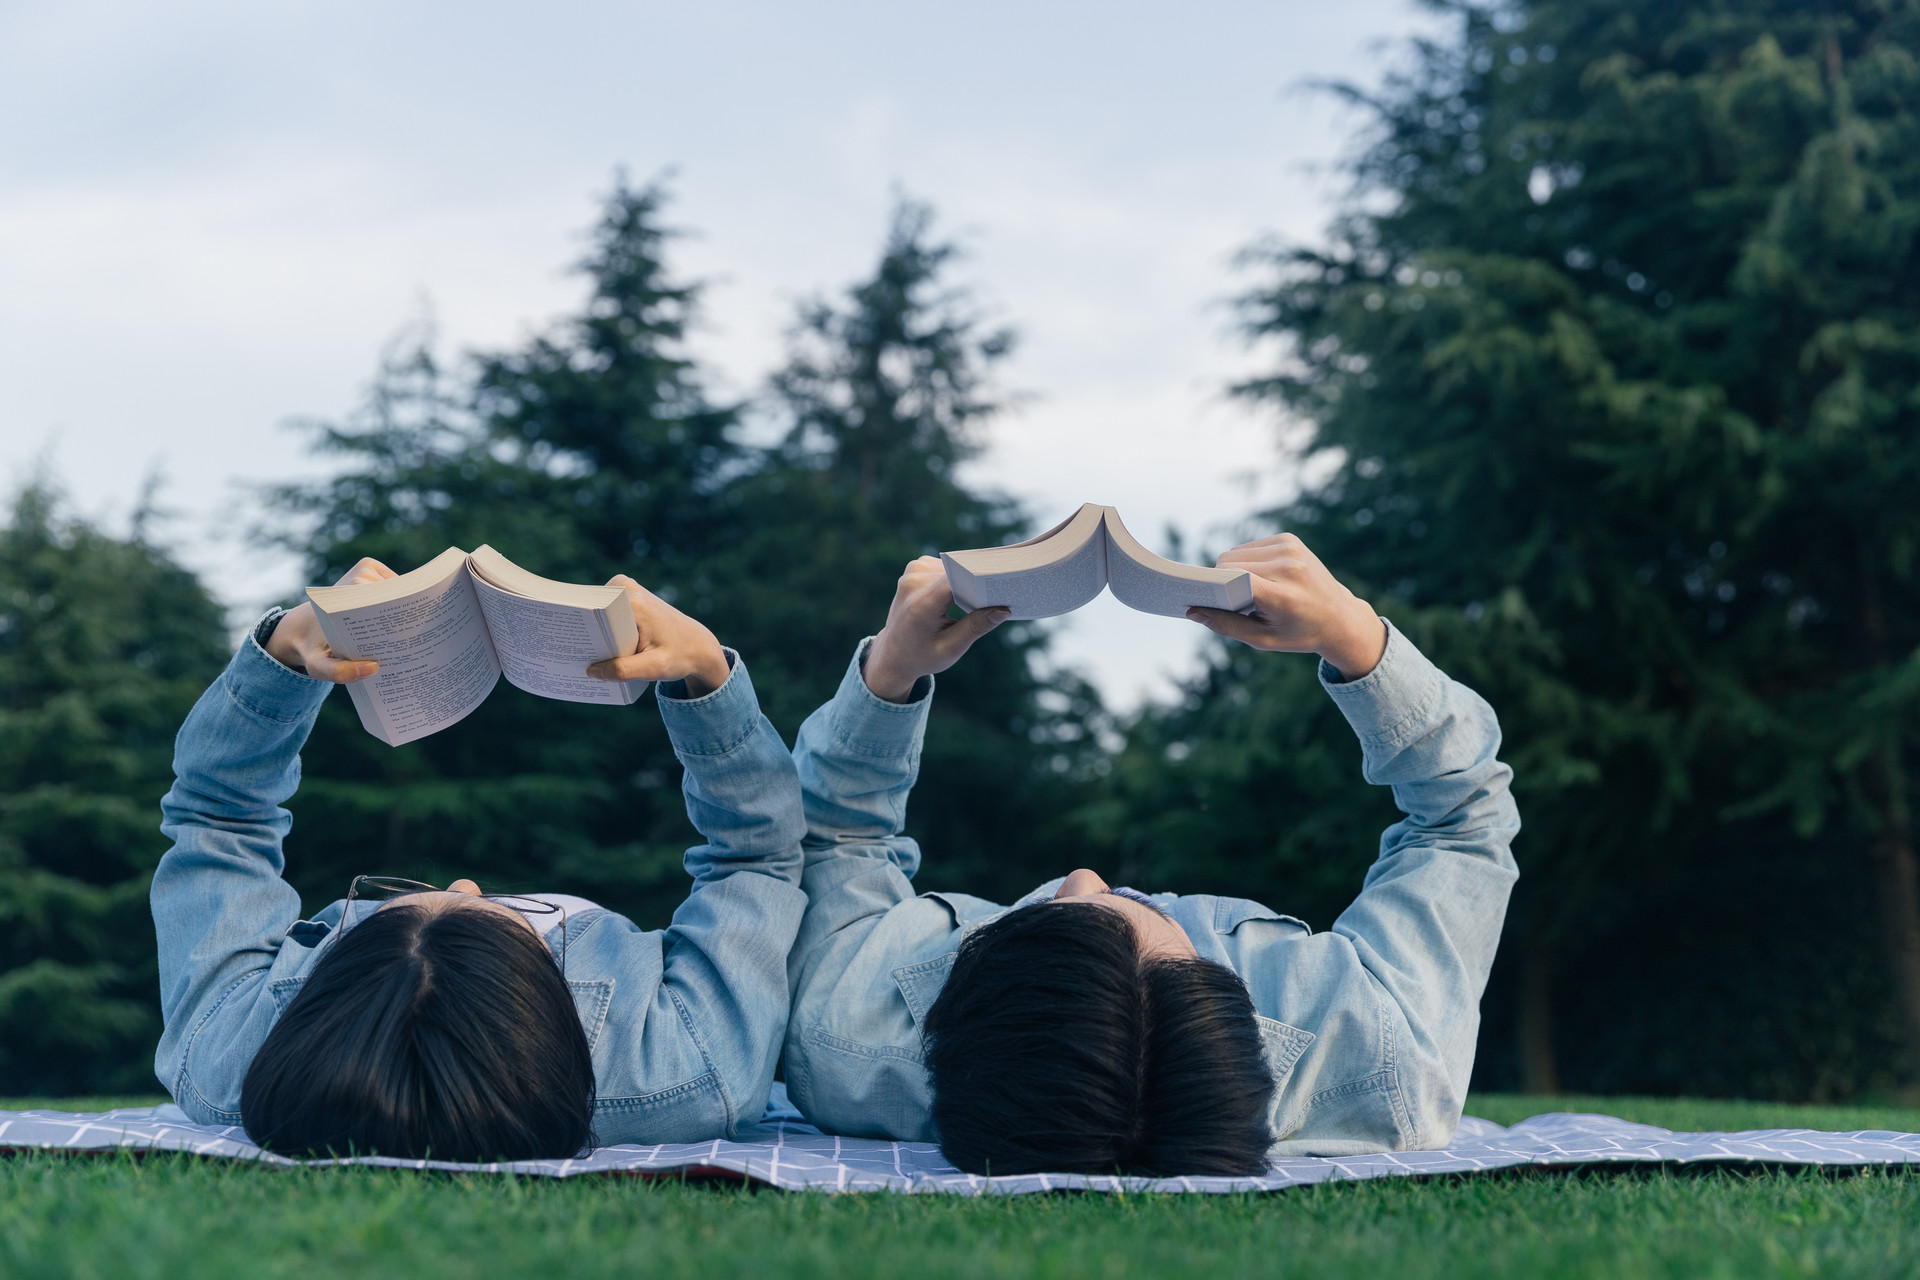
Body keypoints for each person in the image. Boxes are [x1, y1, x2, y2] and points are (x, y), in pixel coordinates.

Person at [781, 534, 1520, 1176]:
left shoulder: (846, 1038)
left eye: (1049, 913)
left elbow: (837, 840)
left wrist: (889, 673)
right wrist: (1358, 641)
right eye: (1135, 909)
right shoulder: (1385, 1057)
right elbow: (1463, 819)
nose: (1085, 875)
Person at [153, 557, 806, 1163]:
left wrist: (280, 658)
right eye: (503, 918)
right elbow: (755, 859)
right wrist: (706, 674)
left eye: (387, 908)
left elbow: (217, 821)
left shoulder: (229, 1059)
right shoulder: (682, 1075)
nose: (468, 883)